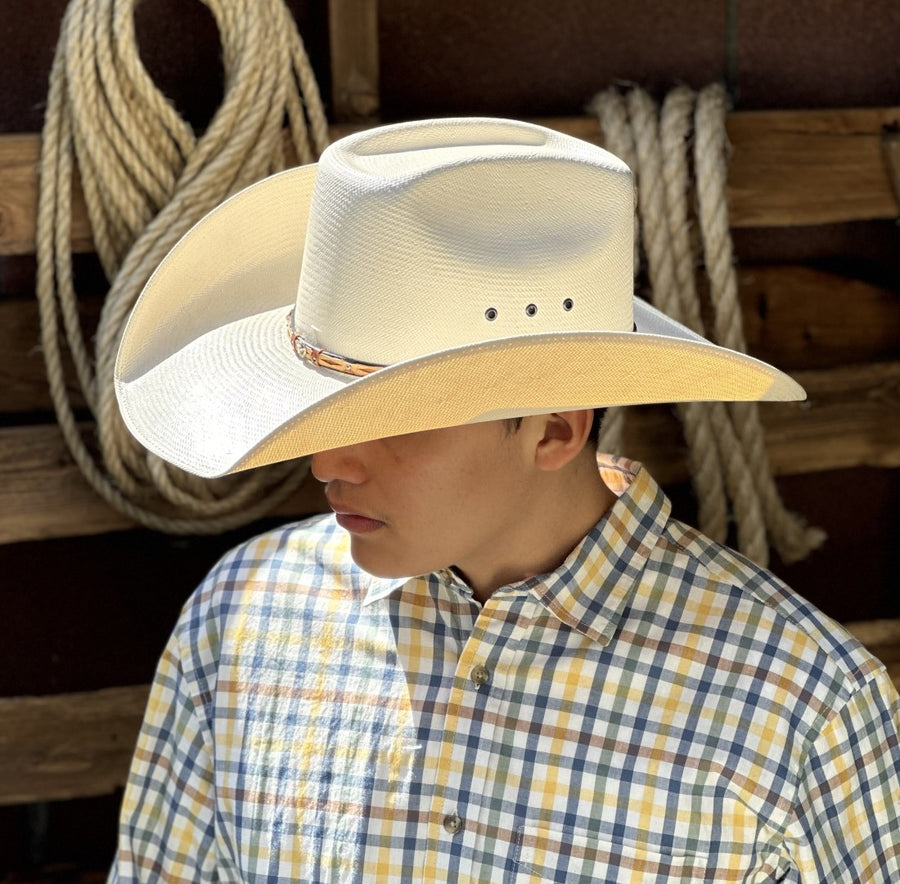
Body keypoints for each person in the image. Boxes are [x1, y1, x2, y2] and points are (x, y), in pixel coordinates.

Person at [109, 118, 900, 882]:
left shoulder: (804, 708)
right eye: (324, 411)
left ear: (554, 431)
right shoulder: (243, 618)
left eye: (392, 420)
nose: (326, 461)